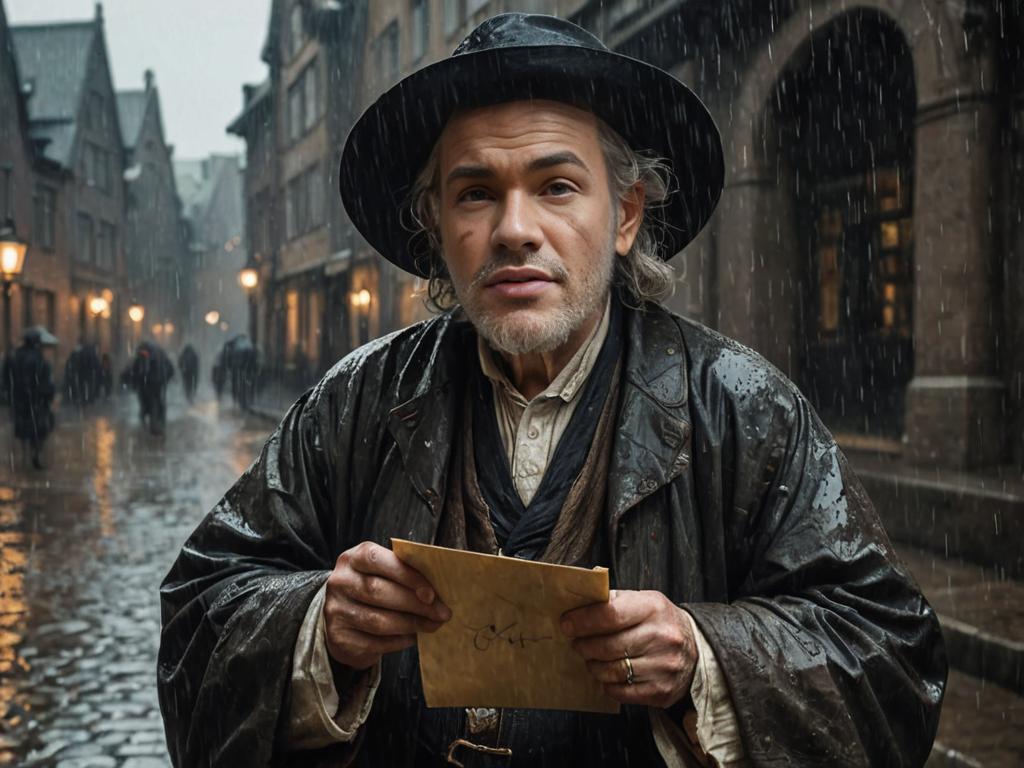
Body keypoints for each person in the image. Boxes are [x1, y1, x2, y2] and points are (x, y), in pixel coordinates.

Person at [158, 14, 945, 767]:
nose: (514, 229)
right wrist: (317, 626)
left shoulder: (742, 409)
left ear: (627, 213)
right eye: (474, 193)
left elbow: (891, 654)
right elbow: (201, 609)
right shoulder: (355, 403)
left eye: (558, 186)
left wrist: (706, 659)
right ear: (435, 227)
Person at [3, 327, 57, 469]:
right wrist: (48, 394)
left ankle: (26, 454)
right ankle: (34, 454)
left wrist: (10, 395)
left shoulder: (14, 356)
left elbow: (6, 378)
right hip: (35, 401)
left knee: (25, 428)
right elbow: (44, 381)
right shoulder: (37, 358)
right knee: (40, 428)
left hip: (20, 401)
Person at [121, 341, 175, 435]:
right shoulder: (159, 357)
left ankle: (150, 425)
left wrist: (133, 381)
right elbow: (170, 370)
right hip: (153, 386)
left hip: (149, 386)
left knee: (150, 405)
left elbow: (133, 371)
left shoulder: (145, 358)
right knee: (154, 404)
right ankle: (153, 425)